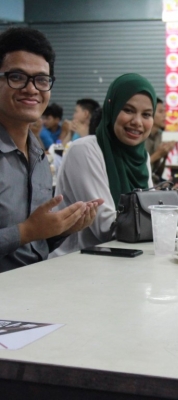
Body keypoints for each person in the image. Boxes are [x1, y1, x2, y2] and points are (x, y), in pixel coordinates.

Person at [52, 73, 178, 256]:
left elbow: (147, 215)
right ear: (112, 109)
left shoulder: (141, 157)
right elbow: (107, 228)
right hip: (77, 263)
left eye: (146, 114)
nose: (137, 122)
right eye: (128, 110)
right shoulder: (84, 151)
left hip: (127, 260)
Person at [0, 27, 103, 272]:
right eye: (17, 77)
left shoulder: (37, 153)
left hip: (36, 283)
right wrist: (25, 232)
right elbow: (28, 234)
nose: (31, 89)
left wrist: (63, 228)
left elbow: (35, 245)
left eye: (42, 80)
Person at [145, 97, 175, 182]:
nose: (165, 115)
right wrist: (158, 154)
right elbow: (136, 169)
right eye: (161, 112)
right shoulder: (140, 135)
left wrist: (165, 155)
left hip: (153, 180)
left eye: (165, 112)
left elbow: (157, 172)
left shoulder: (159, 135)